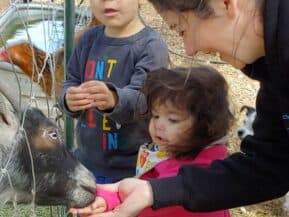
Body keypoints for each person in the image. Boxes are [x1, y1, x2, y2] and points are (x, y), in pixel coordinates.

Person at [69, 0, 289, 216]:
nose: (190, 50)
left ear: (225, 3)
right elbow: (269, 167)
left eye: (182, 30)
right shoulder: (274, 74)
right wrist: (153, 192)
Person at [70, 66, 233, 217]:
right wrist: (108, 200)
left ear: (205, 125)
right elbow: (141, 190)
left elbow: (150, 204)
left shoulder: (201, 174)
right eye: (155, 115)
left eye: (173, 119)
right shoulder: (170, 152)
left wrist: (115, 209)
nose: (158, 125)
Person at [58, 0, 168, 184]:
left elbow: (146, 102)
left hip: (132, 169)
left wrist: (115, 99)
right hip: (85, 161)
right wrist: (69, 100)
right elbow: (71, 81)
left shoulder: (151, 46)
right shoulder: (88, 39)